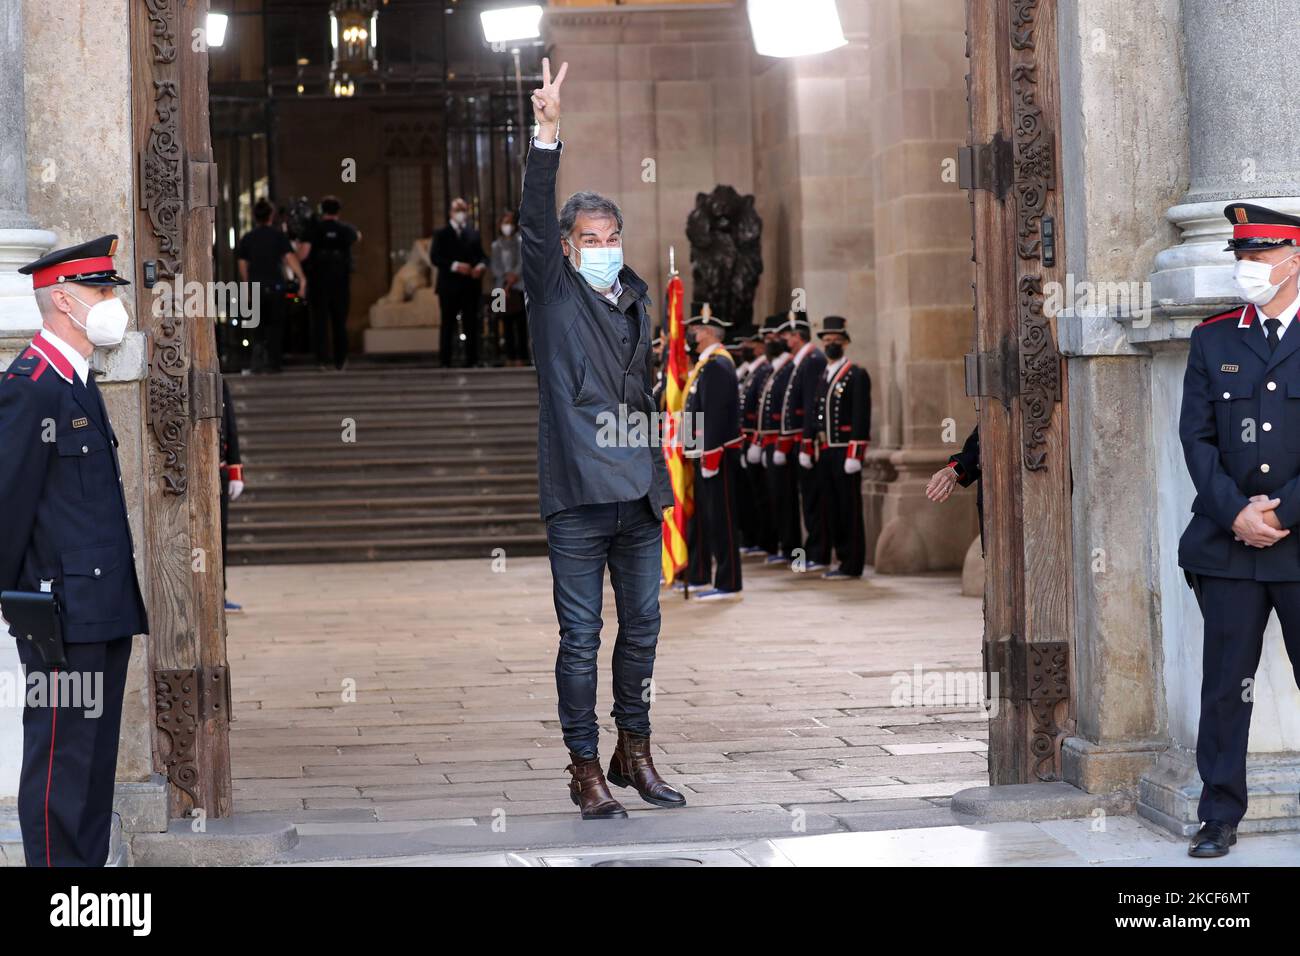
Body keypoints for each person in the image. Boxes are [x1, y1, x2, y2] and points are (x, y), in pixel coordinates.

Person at [521, 58, 684, 819]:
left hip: (639, 495)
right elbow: (530, 216)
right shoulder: (552, 293)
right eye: (590, 237)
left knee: (644, 629)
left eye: (612, 235)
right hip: (579, 495)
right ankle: (585, 766)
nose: (605, 246)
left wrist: (660, 471)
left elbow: (642, 394)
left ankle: (636, 748)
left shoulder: (636, 299)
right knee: (581, 637)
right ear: (566, 246)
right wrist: (547, 133)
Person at [1, 235, 149, 866]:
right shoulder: (30, 386)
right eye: (100, 289)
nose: (112, 300)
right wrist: (18, 607)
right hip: (60, 616)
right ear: (62, 299)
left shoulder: (78, 381)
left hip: (102, 606)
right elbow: (6, 505)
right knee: (61, 764)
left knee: (92, 771)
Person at [1177, 202, 1300, 859]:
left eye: (1258, 258)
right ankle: (1218, 815)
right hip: (1229, 547)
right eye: (1241, 258)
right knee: (1226, 686)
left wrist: (1282, 512)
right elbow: (1195, 440)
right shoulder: (1214, 337)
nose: (1247, 269)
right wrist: (1236, 514)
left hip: (1298, 541)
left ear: (1294, 259)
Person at [682, 304, 744, 600]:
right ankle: (715, 578)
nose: (691, 335)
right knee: (710, 517)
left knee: (723, 519)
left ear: (707, 332)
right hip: (704, 453)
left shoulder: (718, 365)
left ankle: (729, 582)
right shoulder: (707, 364)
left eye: (695, 330)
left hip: (715, 455)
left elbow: (716, 416)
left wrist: (711, 454)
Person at [810, 316, 871, 579]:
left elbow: (861, 415)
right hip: (825, 450)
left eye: (836, 340)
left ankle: (852, 563)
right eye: (827, 340)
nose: (831, 344)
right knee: (831, 507)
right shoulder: (824, 374)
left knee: (849, 508)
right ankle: (840, 558)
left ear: (845, 342)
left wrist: (855, 452)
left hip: (845, 450)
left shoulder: (856, 374)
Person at [237, 198, 307, 373]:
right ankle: (274, 363)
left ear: (254, 216)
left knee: (258, 327)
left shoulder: (248, 238)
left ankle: (258, 362)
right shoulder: (278, 237)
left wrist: (247, 286)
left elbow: (243, 265)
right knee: (276, 326)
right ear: (271, 215)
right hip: (275, 286)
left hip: (256, 286)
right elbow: (289, 258)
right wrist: (302, 278)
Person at [782, 312, 829, 572]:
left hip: (807, 441)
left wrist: (808, 441)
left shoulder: (812, 360)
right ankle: (813, 550)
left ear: (797, 337)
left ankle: (818, 552)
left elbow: (812, 404)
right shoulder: (802, 361)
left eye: (788, 335)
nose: (785, 340)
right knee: (807, 499)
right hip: (799, 441)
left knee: (813, 500)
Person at [756, 313, 799, 565]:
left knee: (786, 499)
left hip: (783, 443)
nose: (771, 341)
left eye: (775, 337)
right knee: (773, 498)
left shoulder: (789, 368)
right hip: (769, 443)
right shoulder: (775, 369)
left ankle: (791, 548)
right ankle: (781, 545)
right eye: (768, 338)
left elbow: (789, 409)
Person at [299, 196, 360, 371]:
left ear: (321, 210)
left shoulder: (313, 229)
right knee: (340, 322)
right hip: (340, 281)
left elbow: (303, 253)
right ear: (338, 211)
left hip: (318, 280)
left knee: (320, 322)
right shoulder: (345, 229)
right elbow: (358, 236)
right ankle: (341, 360)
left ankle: (322, 360)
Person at [739, 316, 779, 557]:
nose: (746, 349)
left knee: (766, 496)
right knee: (755, 496)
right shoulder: (754, 372)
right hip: (751, 441)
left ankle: (770, 542)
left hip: (763, 441)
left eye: (750, 345)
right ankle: (759, 539)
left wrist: (756, 442)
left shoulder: (764, 370)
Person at [432, 197, 488, 368]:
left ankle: (472, 359)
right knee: (447, 324)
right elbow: (435, 258)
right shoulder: (441, 234)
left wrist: (480, 266)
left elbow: (482, 256)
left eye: (463, 210)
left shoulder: (473, 233)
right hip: (448, 287)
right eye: (457, 209)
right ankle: (445, 360)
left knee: (471, 323)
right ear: (450, 212)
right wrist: (456, 266)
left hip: (470, 287)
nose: (461, 213)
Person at [491, 210, 529, 365]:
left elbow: (522, 262)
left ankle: (522, 357)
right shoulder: (496, 245)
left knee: (520, 323)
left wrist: (513, 276)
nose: (507, 226)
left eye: (510, 222)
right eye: (504, 222)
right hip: (500, 289)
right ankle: (508, 356)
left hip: (518, 287)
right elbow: (495, 266)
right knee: (504, 323)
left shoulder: (520, 242)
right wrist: (505, 277)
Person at [220, 376, 244, 613]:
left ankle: (220, 593)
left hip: (219, 470)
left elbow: (231, 426)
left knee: (220, 536)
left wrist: (235, 468)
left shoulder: (221, 381)